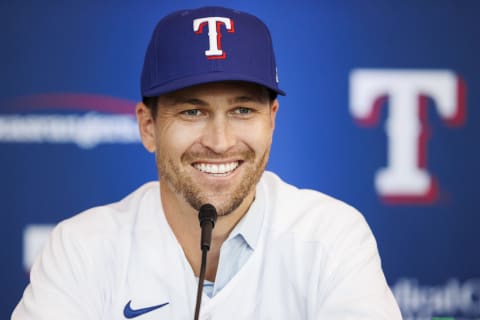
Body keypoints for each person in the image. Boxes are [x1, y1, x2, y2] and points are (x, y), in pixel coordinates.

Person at [12, 6, 402, 319]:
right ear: (148, 127)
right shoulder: (80, 248)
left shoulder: (332, 238)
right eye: (192, 112)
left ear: (272, 120)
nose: (219, 142)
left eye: (243, 110)